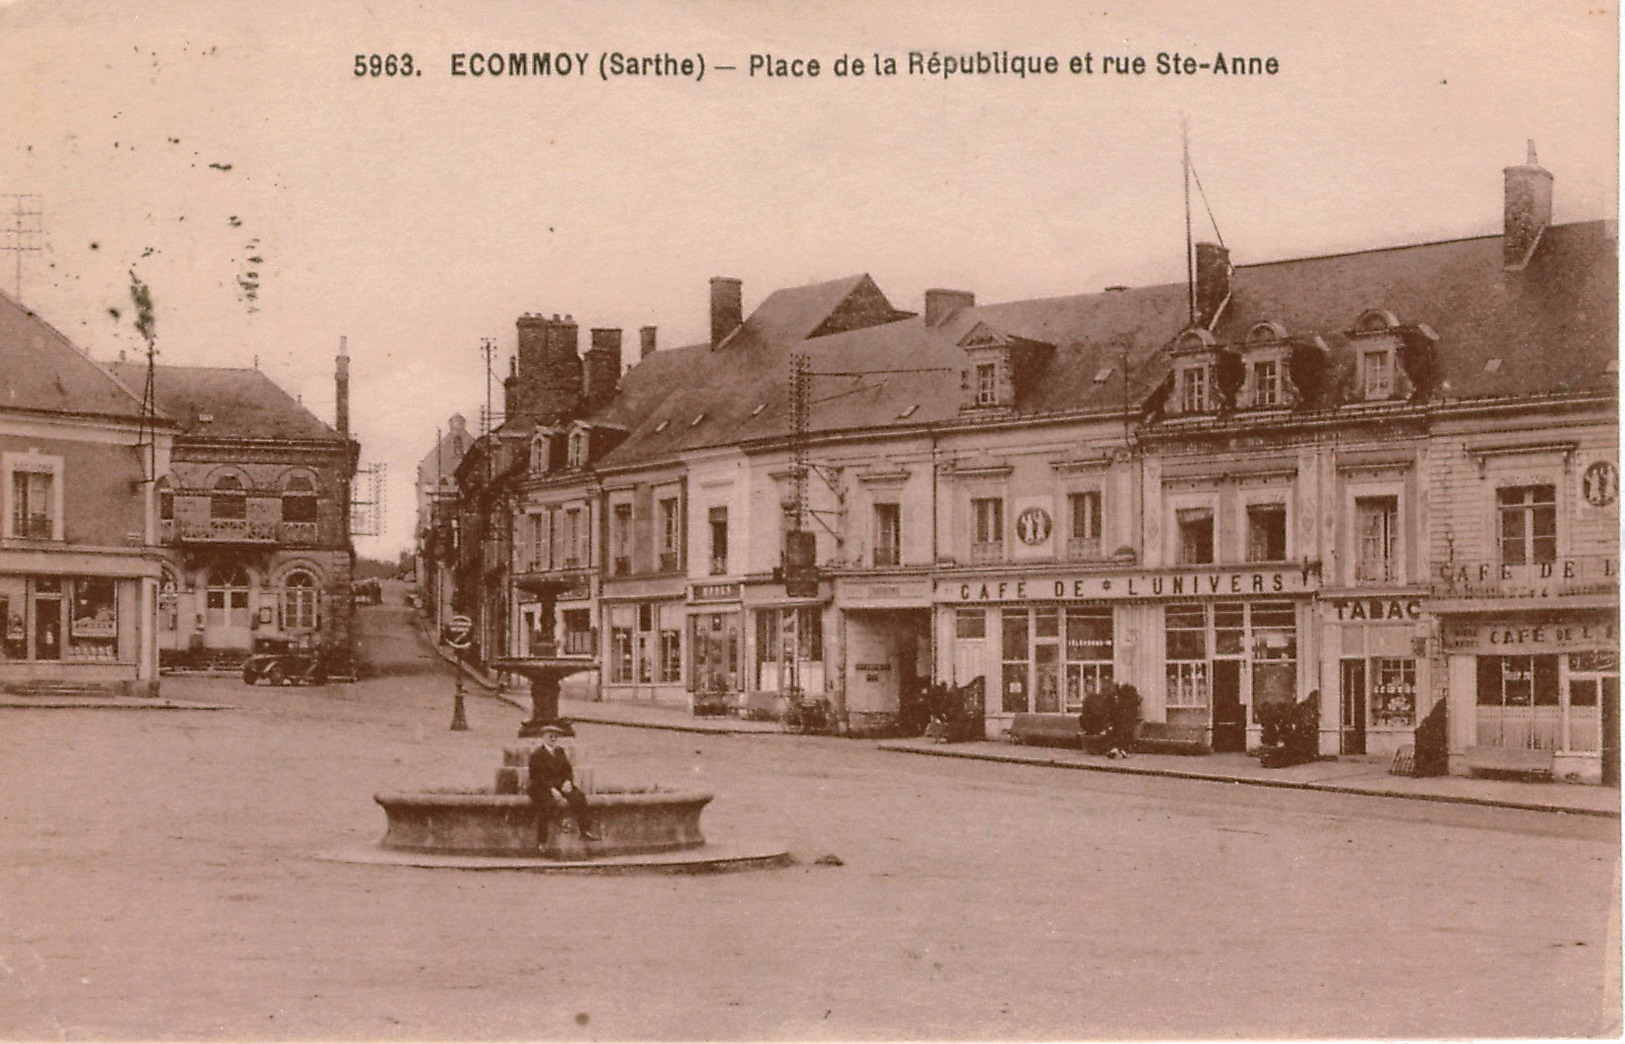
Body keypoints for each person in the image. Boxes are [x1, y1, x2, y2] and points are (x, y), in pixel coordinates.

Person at [527, 725, 599, 844]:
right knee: (546, 805)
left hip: (560, 784)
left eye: (556, 737)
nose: (553, 739)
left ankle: (585, 830)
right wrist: (551, 789)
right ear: (544, 737)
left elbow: (567, 769)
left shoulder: (560, 751)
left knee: (579, 797)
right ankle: (542, 841)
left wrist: (568, 781)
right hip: (541, 786)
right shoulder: (537, 754)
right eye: (550, 736)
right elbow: (536, 776)